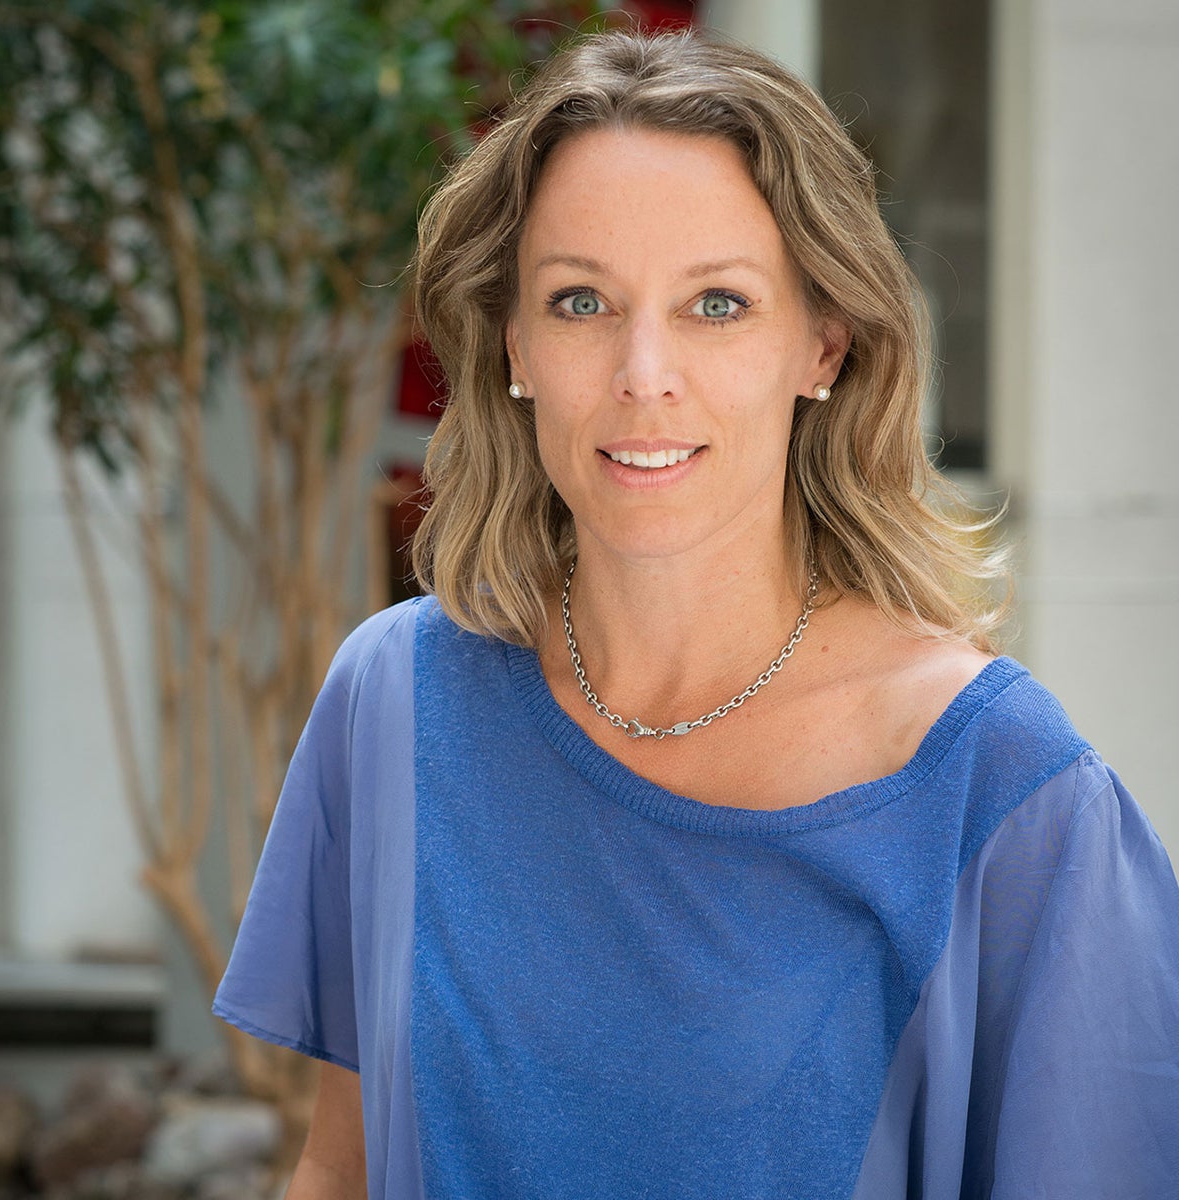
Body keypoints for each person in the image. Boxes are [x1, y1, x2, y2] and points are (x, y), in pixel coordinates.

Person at [213, 27, 1179, 1200]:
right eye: (581, 302)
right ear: (514, 344)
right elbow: (339, 1166)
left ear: (824, 343)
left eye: (717, 303)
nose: (644, 372)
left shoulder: (1001, 789)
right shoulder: (395, 703)